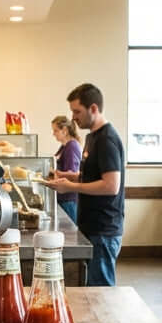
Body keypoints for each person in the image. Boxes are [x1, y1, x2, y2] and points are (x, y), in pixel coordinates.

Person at [45, 83, 125, 286]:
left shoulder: (107, 139)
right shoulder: (92, 137)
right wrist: (68, 177)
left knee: (101, 292)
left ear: (94, 109)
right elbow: (90, 176)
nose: (73, 117)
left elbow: (110, 185)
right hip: (91, 225)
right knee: (91, 288)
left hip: (104, 228)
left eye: (77, 111)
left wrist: (71, 187)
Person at [51, 115, 82, 221]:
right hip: (63, 198)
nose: (53, 134)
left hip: (69, 199)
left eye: (55, 130)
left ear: (64, 130)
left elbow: (72, 173)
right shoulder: (64, 146)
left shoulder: (72, 146)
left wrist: (55, 173)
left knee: (71, 234)